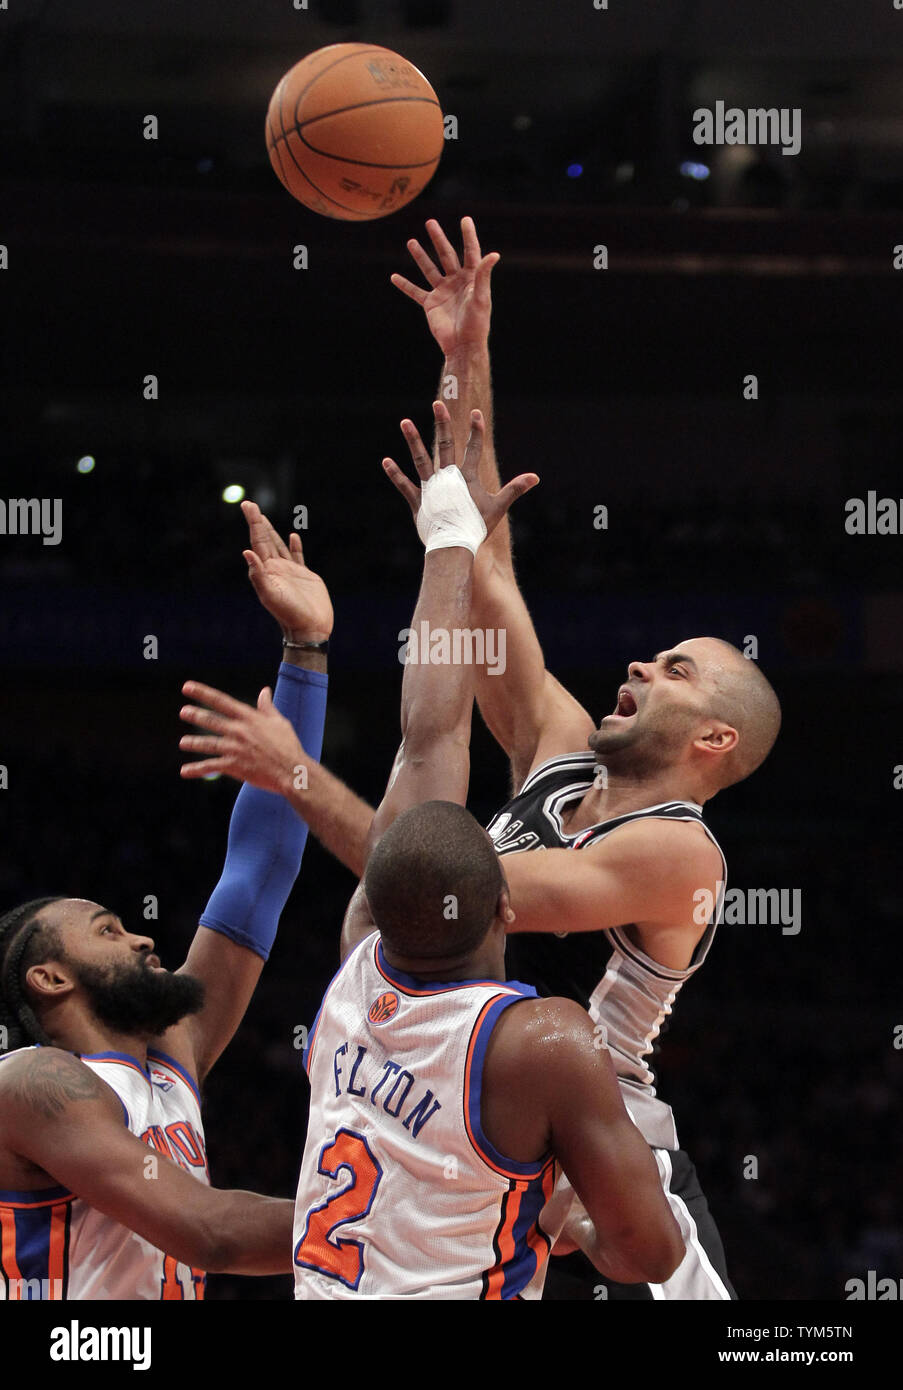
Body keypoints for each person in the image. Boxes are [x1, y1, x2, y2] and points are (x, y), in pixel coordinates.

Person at [180, 402, 685, 1300]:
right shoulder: (543, 1039)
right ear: (505, 904)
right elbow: (648, 1256)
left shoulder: (353, 977)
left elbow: (428, 742)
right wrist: (562, 1212)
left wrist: (449, 538)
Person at [388, 217, 783, 1299]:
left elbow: (467, 890)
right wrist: (464, 357)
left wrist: (353, 788)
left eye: (677, 668)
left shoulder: (680, 857)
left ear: (714, 741)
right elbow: (496, 564)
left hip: (612, 1177)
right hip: (484, 1152)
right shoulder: (562, 749)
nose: (644, 665)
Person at [0, 502, 344, 1300]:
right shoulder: (31, 1084)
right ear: (50, 978)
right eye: (109, 930)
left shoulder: (172, 1054)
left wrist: (306, 652)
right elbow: (210, 1232)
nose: (144, 941)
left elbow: (260, 867)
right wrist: (400, 1216)